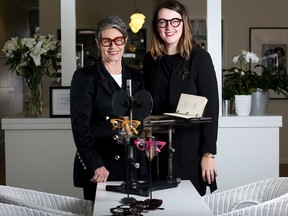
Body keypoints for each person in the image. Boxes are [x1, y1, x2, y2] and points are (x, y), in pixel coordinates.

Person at [143, 0, 219, 196]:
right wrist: (148, 138)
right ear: (156, 26)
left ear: (184, 23)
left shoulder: (200, 58)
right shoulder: (150, 60)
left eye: (175, 21)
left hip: (190, 149)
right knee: (158, 204)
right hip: (157, 151)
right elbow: (147, 106)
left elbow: (211, 109)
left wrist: (208, 154)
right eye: (163, 22)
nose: (169, 27)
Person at [70, 15, 148, 202]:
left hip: (132, 164)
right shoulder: (84, 77)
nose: (113, 46)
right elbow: (80, 127)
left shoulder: (137, 77)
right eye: (107, 41)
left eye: (118, 40)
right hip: (101, 167)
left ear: (125, 41)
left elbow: (141, 121)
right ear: (98, 43)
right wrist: (96, 165)